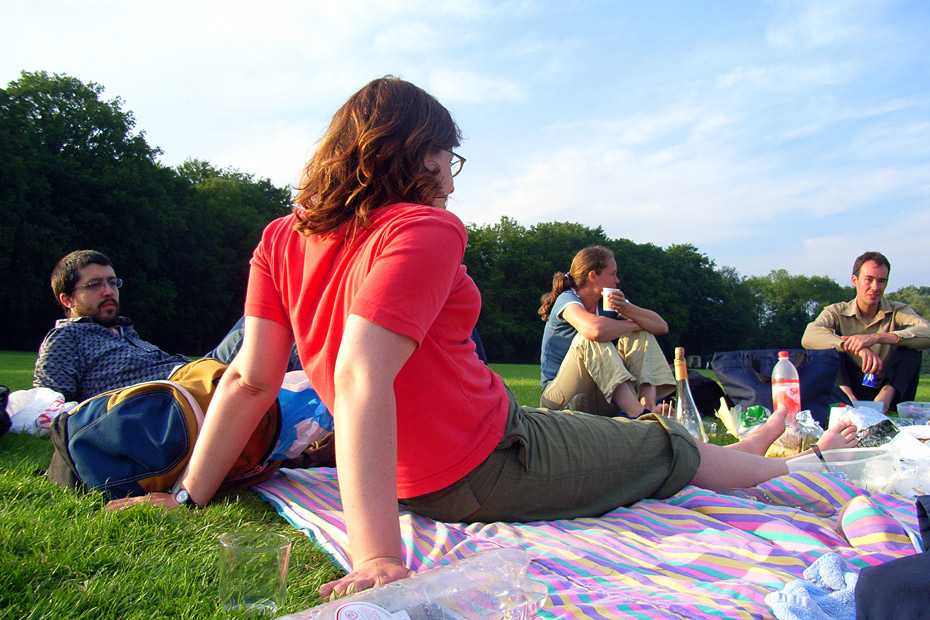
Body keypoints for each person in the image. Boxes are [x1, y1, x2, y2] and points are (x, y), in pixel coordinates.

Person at [106, 76, 858, 598]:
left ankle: (762, 447)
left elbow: (247, 378)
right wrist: (376, 556)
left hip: (465, 445)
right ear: (414, 151)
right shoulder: (423, 227)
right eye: (448, 159)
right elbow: (367, 376)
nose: (454, 179)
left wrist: (185, 498)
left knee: (613, 435)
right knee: (659, 446)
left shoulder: (281, 236)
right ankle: (810, 476)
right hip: (482, 460)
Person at [33, 249, 296, 402]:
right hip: (179, 391)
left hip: (194, 372)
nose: (108, 291)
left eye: (112, 283)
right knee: (279, 317)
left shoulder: (125, 330)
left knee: (279, 309)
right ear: (66, 299)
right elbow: (48, 400)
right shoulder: (67, 336)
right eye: (94, 285)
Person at [539, 246, 675, 417]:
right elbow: (595, 330)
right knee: (588, 338)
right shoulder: (567, 300)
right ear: (593, 276)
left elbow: (661, 326)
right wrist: (634, 324)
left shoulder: (608, 301)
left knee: (642, 334)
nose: (617, 280)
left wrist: (627, 308)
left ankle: (648, 406)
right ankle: (639, 415)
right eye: (612, 274)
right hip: (560, 398)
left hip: (600, 395)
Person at [802, 251, 930, 413]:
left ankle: (883, 404)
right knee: (829, 349)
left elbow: (927, 331)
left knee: (911, 349)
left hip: (888, 388)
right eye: (869, 280)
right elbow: (809, 336)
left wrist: (876, 338)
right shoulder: (836, 311)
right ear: (854, 280)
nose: (875, 288)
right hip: (849, 387)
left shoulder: (899, 311)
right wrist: (855, 347)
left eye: (881, 281)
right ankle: (849, 403)